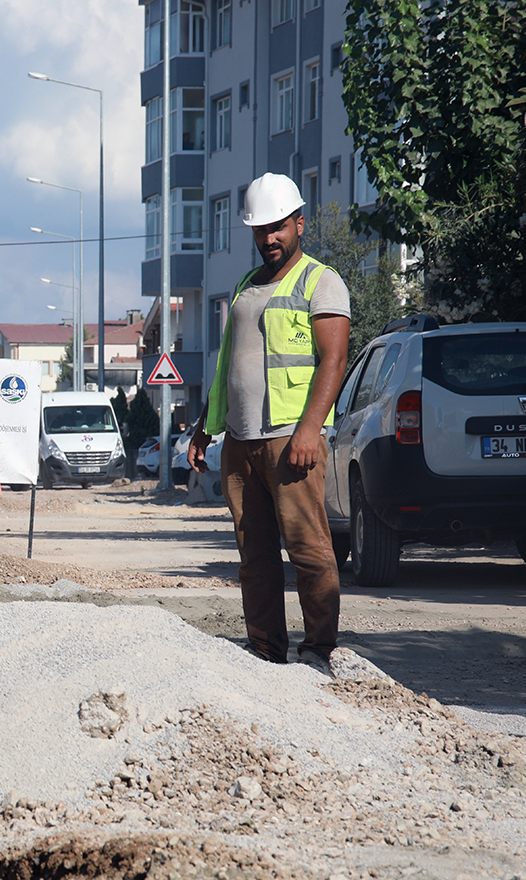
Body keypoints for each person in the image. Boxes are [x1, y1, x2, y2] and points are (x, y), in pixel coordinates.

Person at [186, 174, 350, 667]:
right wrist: (206, 426)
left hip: (289, 441)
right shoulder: (243, 286)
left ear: (299, 223)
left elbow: (334, 359)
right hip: (241, 443)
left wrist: (308, 429)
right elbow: (228, 366)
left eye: (277, 228)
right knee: (255, 560)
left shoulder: (321, 280)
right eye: (260, 230)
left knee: (308, 551)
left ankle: (318, 651)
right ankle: (264, 652)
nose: (269, 238)